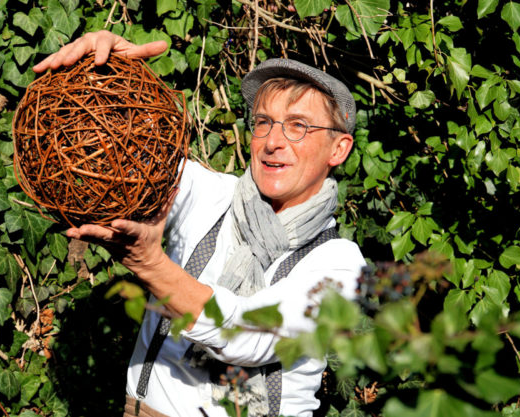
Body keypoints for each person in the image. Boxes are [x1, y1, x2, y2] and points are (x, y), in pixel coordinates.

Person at [34, 30, 366, 417]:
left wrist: (149, 264)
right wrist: (105, 75)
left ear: (338, 149)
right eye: (264, 122)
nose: (273, 141)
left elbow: (250, 336)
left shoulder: (340, 264)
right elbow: (128, 159)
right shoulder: (210, 194)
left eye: (297, 126)